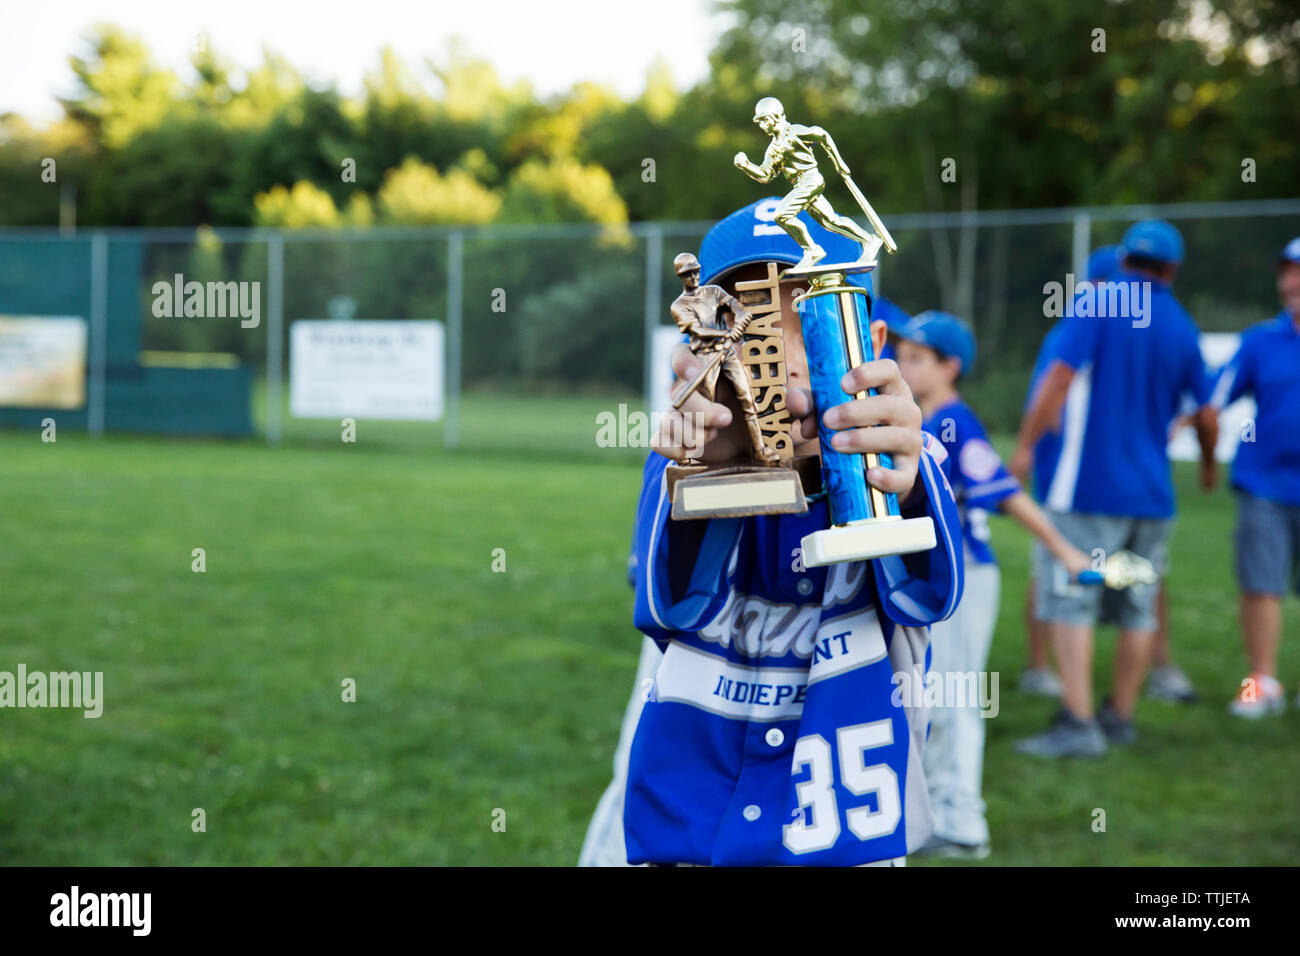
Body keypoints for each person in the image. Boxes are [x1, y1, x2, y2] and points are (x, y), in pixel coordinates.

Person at [622, 198, 964, 866]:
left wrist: (906, 466)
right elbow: (667, 605)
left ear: (870, 344)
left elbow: (929, 596)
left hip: (845, 836)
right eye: (751, 331)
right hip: (693, 836)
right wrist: (704, 474)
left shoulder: (907, 462)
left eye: (811, 324)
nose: (784, 362)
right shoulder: (684, 457)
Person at [1009, 219, 1217, 757]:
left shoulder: (1098, 303)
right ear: (1172, 269)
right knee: (1138, 608)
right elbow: (1209, 412)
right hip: (1152, 495)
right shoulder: (1183, 325)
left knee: (1072, 601)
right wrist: (1211, 466)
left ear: (1124, 259)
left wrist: (1027, 445)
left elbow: (1058, 377)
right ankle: (1120, 716)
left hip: (1087, 489)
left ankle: (1078, 725)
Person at [894, 311, 1091, 858]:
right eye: (902, 352)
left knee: (955, 696)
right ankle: (934, 811)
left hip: (965, 576)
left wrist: (1064, 550)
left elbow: (1006, 494)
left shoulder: (957, 421)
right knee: (927, 696)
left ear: (949, 367)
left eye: (916, 356)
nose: (901, 363)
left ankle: (962, 822)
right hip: (930, 572)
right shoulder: (910, 417)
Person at [1216, 236, 1300, 717]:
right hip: (1264, 482)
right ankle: (1261, 683)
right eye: (1287, 271)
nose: (1292, 282)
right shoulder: (1260, 341)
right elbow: (1212, 398)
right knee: (1261, 584)